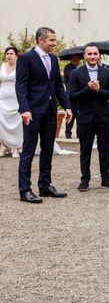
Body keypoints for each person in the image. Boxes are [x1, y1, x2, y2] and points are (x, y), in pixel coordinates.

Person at [16, 27, 73, 203]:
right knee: (29, 150)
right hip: (32, 112)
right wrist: (25, 109)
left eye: (55, 40)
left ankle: (44, 186)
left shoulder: (53, 59)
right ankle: (24, 190)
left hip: (50, 111)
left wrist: (67, 106)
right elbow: (21, 86)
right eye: (52, 40)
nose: (55, 44)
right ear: (41, 40)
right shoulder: (26, 58)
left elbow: (57, 85)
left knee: (48, 149)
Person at [67, 45, 109, 192]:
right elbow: (72, 96)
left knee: (104, 151)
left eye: (95, 54)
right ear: (85, 56)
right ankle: (84, 180)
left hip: (103, 117)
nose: (92, 56)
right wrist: (88, 90)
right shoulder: (76, 73)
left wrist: (98, 90)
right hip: (85, 117)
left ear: (99, 56)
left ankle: (106, 179)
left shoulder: (106, 72)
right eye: (89, 54)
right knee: (85, 150)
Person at [0, 46, 22, 157]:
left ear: (16, 55)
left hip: (16, 98)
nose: (9, 55)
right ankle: (4, 146)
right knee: (2, 122)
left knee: (17, 123)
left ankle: (16, 147)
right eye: (7, 53)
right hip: (3, 98)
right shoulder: (2, 66)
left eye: (11, 53)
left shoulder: (21, 67)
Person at [63, 54, 80, 139]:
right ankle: (68, 132)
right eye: (75, 59)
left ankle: (79, 133)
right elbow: (71, 77)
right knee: (70, 114)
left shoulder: (80, 68)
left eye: (78, 59)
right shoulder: (68, 68)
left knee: (79, 115)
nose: (77, 60)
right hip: (70, 95)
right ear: (71, 60)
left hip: (79, 95)